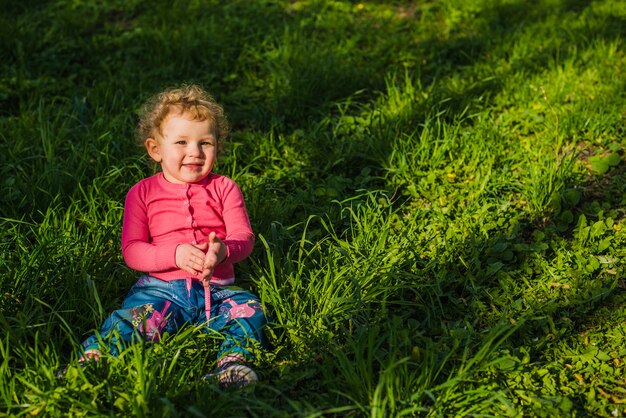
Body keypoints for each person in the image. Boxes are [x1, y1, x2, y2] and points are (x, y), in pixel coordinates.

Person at [77, 84, 266, 388]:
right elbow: (133, 250)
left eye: (205, 142)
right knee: (130, 320)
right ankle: (93, 362)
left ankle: (233, 365)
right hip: (161, 290)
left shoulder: (225, 188)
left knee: (250, 310)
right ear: (155, 150)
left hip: (216, 290)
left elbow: (244, 236)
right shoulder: (142, 193)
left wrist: (224, 252)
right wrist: (174, 254)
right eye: (181, 142)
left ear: (217, 145)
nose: (195, 152)